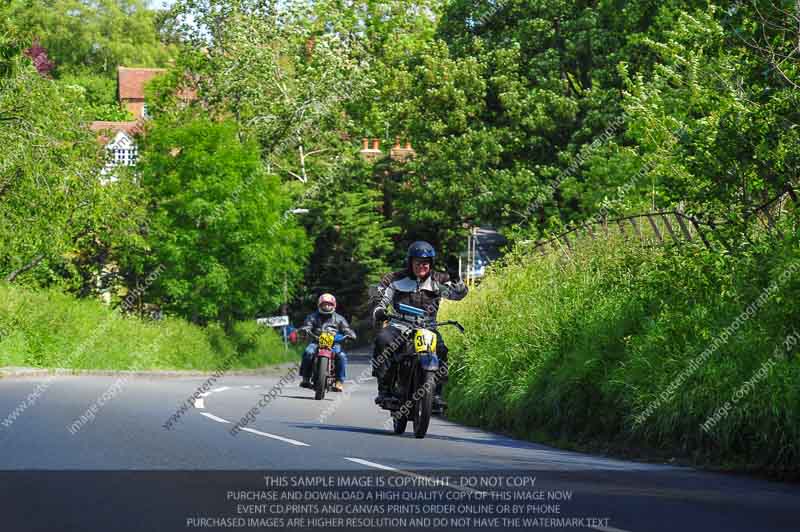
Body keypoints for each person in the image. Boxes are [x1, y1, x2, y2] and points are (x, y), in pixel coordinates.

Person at [372, 241, 468, 410]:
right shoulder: (394, 279)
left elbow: (457, 295)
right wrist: (379, 311)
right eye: (418, 262)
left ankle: (436, 393)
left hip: (427, 327)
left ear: (431, 264)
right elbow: (380, 298)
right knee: (383, 340)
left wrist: (456, 279)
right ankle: (385, 390)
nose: (422, 266)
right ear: (410, 262)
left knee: (441, 349)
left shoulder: (439, 280)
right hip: (400, 325)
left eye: (426, 263)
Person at [298, 293, 356, 392]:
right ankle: (305, 378)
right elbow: (307, 325)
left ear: (334, 305)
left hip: (334, 343)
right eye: (324, 304)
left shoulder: (339, 318)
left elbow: (347, 329)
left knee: (341, 356)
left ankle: (339, 381)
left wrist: (350, 334)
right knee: (308, 352)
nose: (327, 306)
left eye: (329, 304)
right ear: (319, 305)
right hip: (316, 342)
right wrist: (305, 329)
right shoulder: (312, 317)